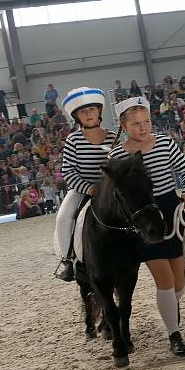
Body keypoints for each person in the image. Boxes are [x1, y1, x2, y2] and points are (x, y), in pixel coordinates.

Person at [108, 97, 185, 358]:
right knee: (165, 281)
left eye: (146, 122)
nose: (143, 128)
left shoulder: (166, 143)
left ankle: (170, 312)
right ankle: (174, 335)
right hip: (144, 217)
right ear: (124, 125)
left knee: (180, 282)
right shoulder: (117, 155)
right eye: (136, 124)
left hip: (171, 211)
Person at [54, 87, 116, 281]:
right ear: (77, 117)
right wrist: (89, 188)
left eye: (91, 109)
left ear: (99, 111)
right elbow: (68, 172)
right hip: (82, 190)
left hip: (108, 190)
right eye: (83, 111)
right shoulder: (73, 140)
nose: (88, 114)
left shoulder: (112, 136)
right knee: (63, 218)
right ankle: (67, 260)